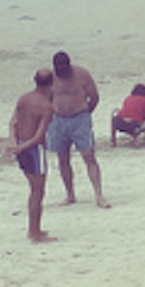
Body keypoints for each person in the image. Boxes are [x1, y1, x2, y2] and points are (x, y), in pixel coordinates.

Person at [46, 51, 109, 208]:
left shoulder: (81, 75)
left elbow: (94, 96)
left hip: (80, 118)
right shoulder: (51, 77)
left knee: (89, 156)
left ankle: (99, 195)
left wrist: (86, 113)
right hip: (58, 119)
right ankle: (70, 194)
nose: (62, 71)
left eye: (64, 67)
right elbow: (46, 99)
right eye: (59, 68)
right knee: (63, 158)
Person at [9, 67, 55, 242]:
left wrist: (15, 144)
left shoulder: (24, 99)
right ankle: (34, 232)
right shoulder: (46, 106)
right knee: (38, 192)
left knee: (34, 190)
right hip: (34, 151)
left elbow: (13, 123)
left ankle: (35, 229)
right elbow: (38, 137)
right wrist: (21, 147)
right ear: (51, 83)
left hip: (22, 145)